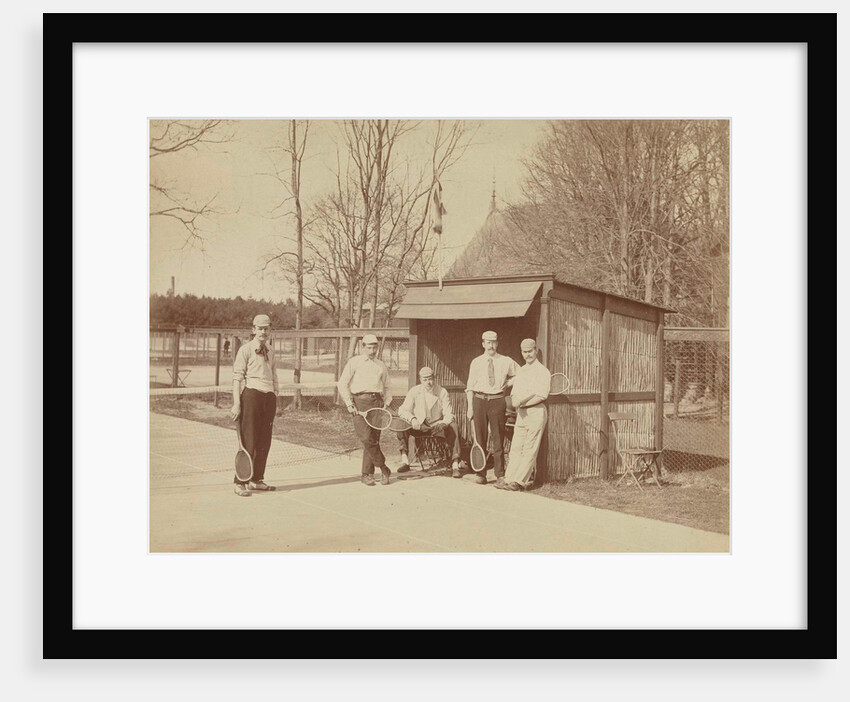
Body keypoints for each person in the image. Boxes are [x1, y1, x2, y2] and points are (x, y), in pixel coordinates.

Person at [229, 314, 279, 497]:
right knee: (249, 440)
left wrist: (275, 395)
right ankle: (240, 482)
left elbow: (274, 375)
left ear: (270, 330)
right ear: (253, 330)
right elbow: (237, 378)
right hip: (251, 396)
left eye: (266, 328)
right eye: (260, 328)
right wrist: (237, 404)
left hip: (268, 397)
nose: (263, 331)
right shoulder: (245, 350)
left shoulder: (271, 350)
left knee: (264, 442)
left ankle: (256, 479)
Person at [337, 334, 393, 486]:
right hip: (359, 403)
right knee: (366, 438)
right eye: (369, 347)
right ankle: (384, 468)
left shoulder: (381, 365)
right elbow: (342, 384)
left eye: (374, 347)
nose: (372, 351)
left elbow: (388, 386)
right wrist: (349, 404)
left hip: (377, 403)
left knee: (373, 440)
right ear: (362, 347)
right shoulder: (354, 362)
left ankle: (366, 474)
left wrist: (387, 402)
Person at [464, 330, 518, 486]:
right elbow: (470, 386)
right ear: (483, 344)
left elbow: (519, 374)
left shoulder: (506, 361)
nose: (491, 345)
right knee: (479, 437)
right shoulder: (476, 362)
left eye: (494, 342)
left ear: (497, 343)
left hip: (497, 400)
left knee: (498, 438)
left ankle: (500, 474)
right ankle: (480, 474)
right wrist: (470, 407)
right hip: (479, 401)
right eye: (488, 342)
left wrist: (508, 383)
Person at [500, 338, 551, 491]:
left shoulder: (543, 371)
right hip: (521, 414)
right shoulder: (521, 371)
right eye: (524, 352)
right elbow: (514, 393)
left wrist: (523, 402)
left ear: (535, 351)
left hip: (536, 411)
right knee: (516, 447)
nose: (527, 355)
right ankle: (509, 479)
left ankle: (519, 481)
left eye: (530, 351)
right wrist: (517, 401)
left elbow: (542, 395)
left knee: (530, 447)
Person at [396, 367, 461, 475]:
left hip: (436, 427)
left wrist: (444, 423)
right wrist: (413, 419)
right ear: (420, 380)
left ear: (434, 378)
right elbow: (402, 410)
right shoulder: (414, 391)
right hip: (419, 426)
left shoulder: (442, 392)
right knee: (401, 423)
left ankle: (455, 465)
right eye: (425, 379)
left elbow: (449, 413)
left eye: (430, 379)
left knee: (454, 426)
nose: (428, 382)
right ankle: (405, 461)